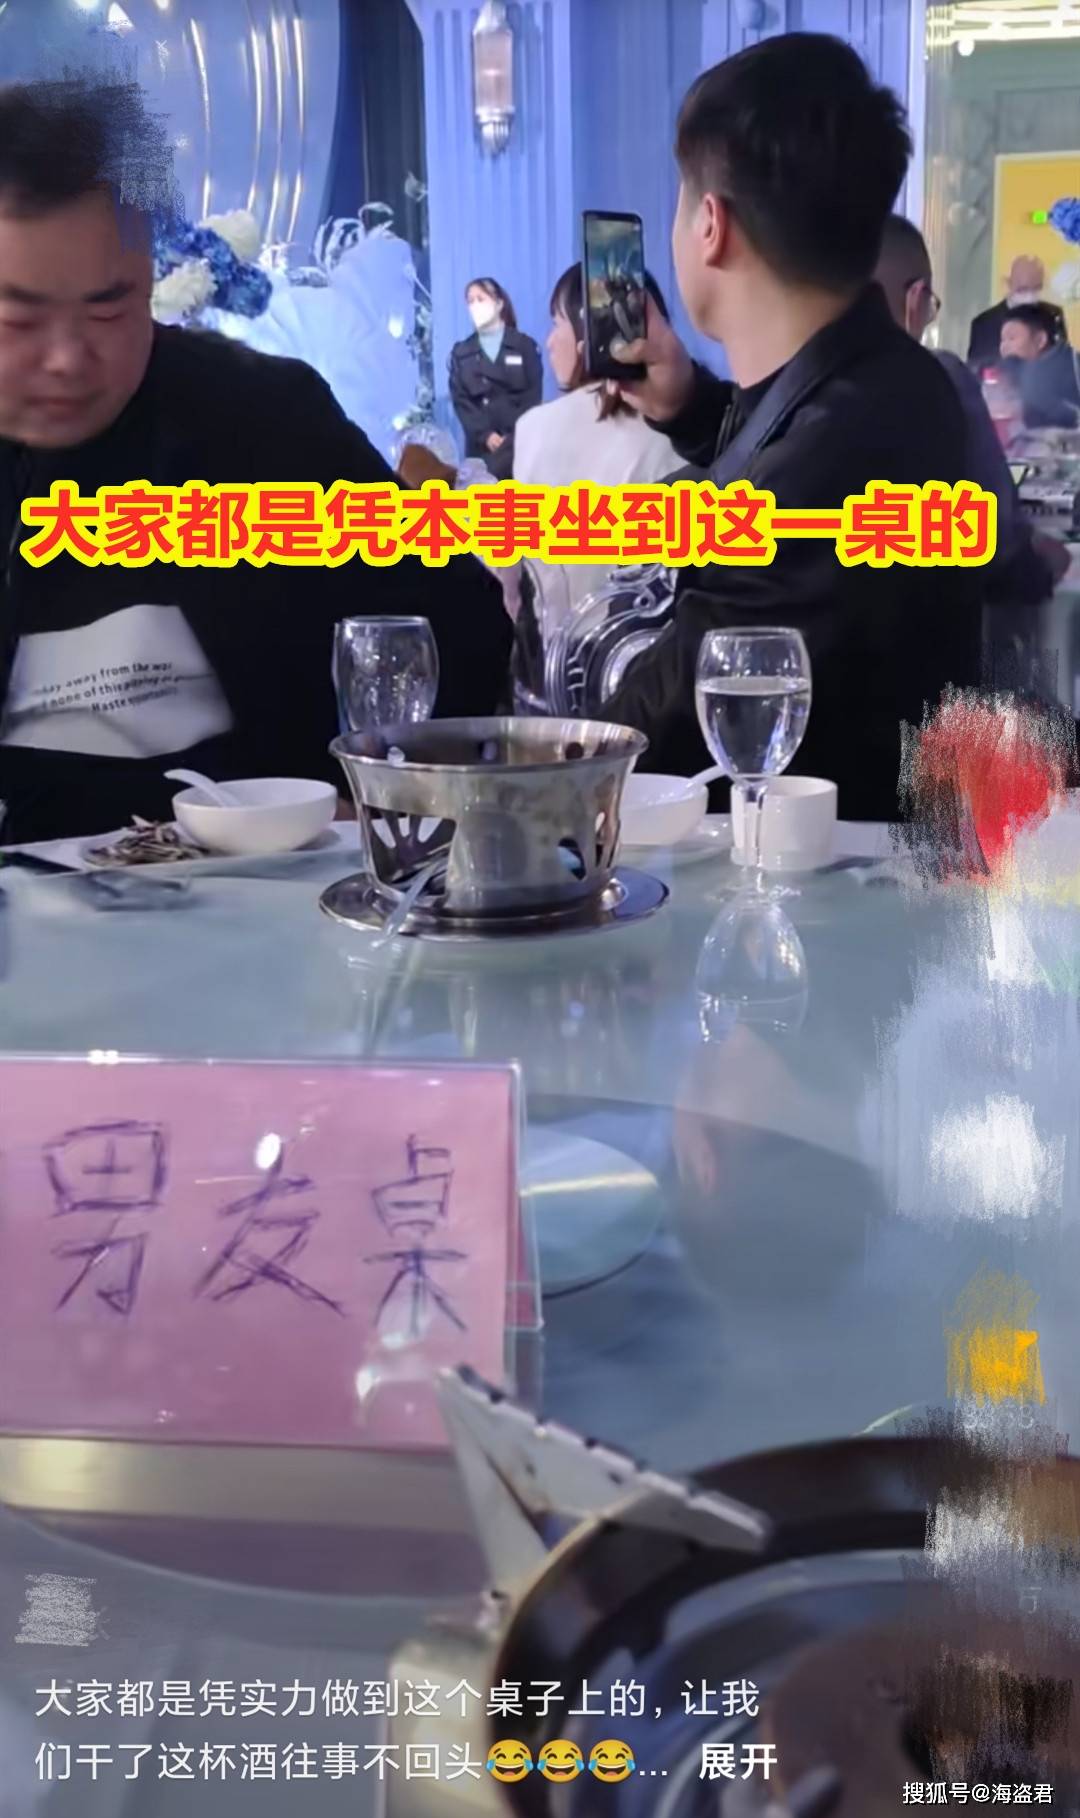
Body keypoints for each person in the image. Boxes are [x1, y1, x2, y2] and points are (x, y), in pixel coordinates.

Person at [0, 77, 511, 845]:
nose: (68, 358)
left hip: (260, 888)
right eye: (20, 317)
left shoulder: (262, 422)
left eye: (108, 308)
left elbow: (460, 633)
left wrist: (369, 791)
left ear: (149, 276)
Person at [605, 34, 984, 822]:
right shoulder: (892, 380)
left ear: (711, 226)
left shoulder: (834, 452)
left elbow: (651, 732)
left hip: (821, 879)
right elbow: (785, 446)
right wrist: (690, 407)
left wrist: (525, 759)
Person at [874, 214, 1067, 605]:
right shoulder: (938, 377)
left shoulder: (772, 389)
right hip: (929, 633)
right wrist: (1045, 561)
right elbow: (1000, 548)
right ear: (916, 300)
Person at [511, 264, 679, 632]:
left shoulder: (534, 429)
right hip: (657, 651)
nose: (549, 341)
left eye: (557, 323)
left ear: (588, 331)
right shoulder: (684, 430)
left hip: (556, 658)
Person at [447, 279, 542, 481]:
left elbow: (533, 396)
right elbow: (461, 402)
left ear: (499, 304)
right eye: (470, 301)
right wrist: (485, 435)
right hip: (481, 453)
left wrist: (513, 437)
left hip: (519, 447)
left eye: (481, 299)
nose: (475, 306)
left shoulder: (524, 346)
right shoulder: (462, 353)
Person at [967, 256, 1067, 373]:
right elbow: (975, 371)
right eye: (1023, 289)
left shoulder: (1053, 315)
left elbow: (1063, 363)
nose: (1030, 295)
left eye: (1036, 288)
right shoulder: (983, 324)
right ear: (1009, 284)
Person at [999, 302, 1080, 430]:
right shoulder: (1017, 370)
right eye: (1002, 340)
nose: (1004, 347)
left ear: (1040, 340)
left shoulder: (1044, 374)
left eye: (1011, 338)